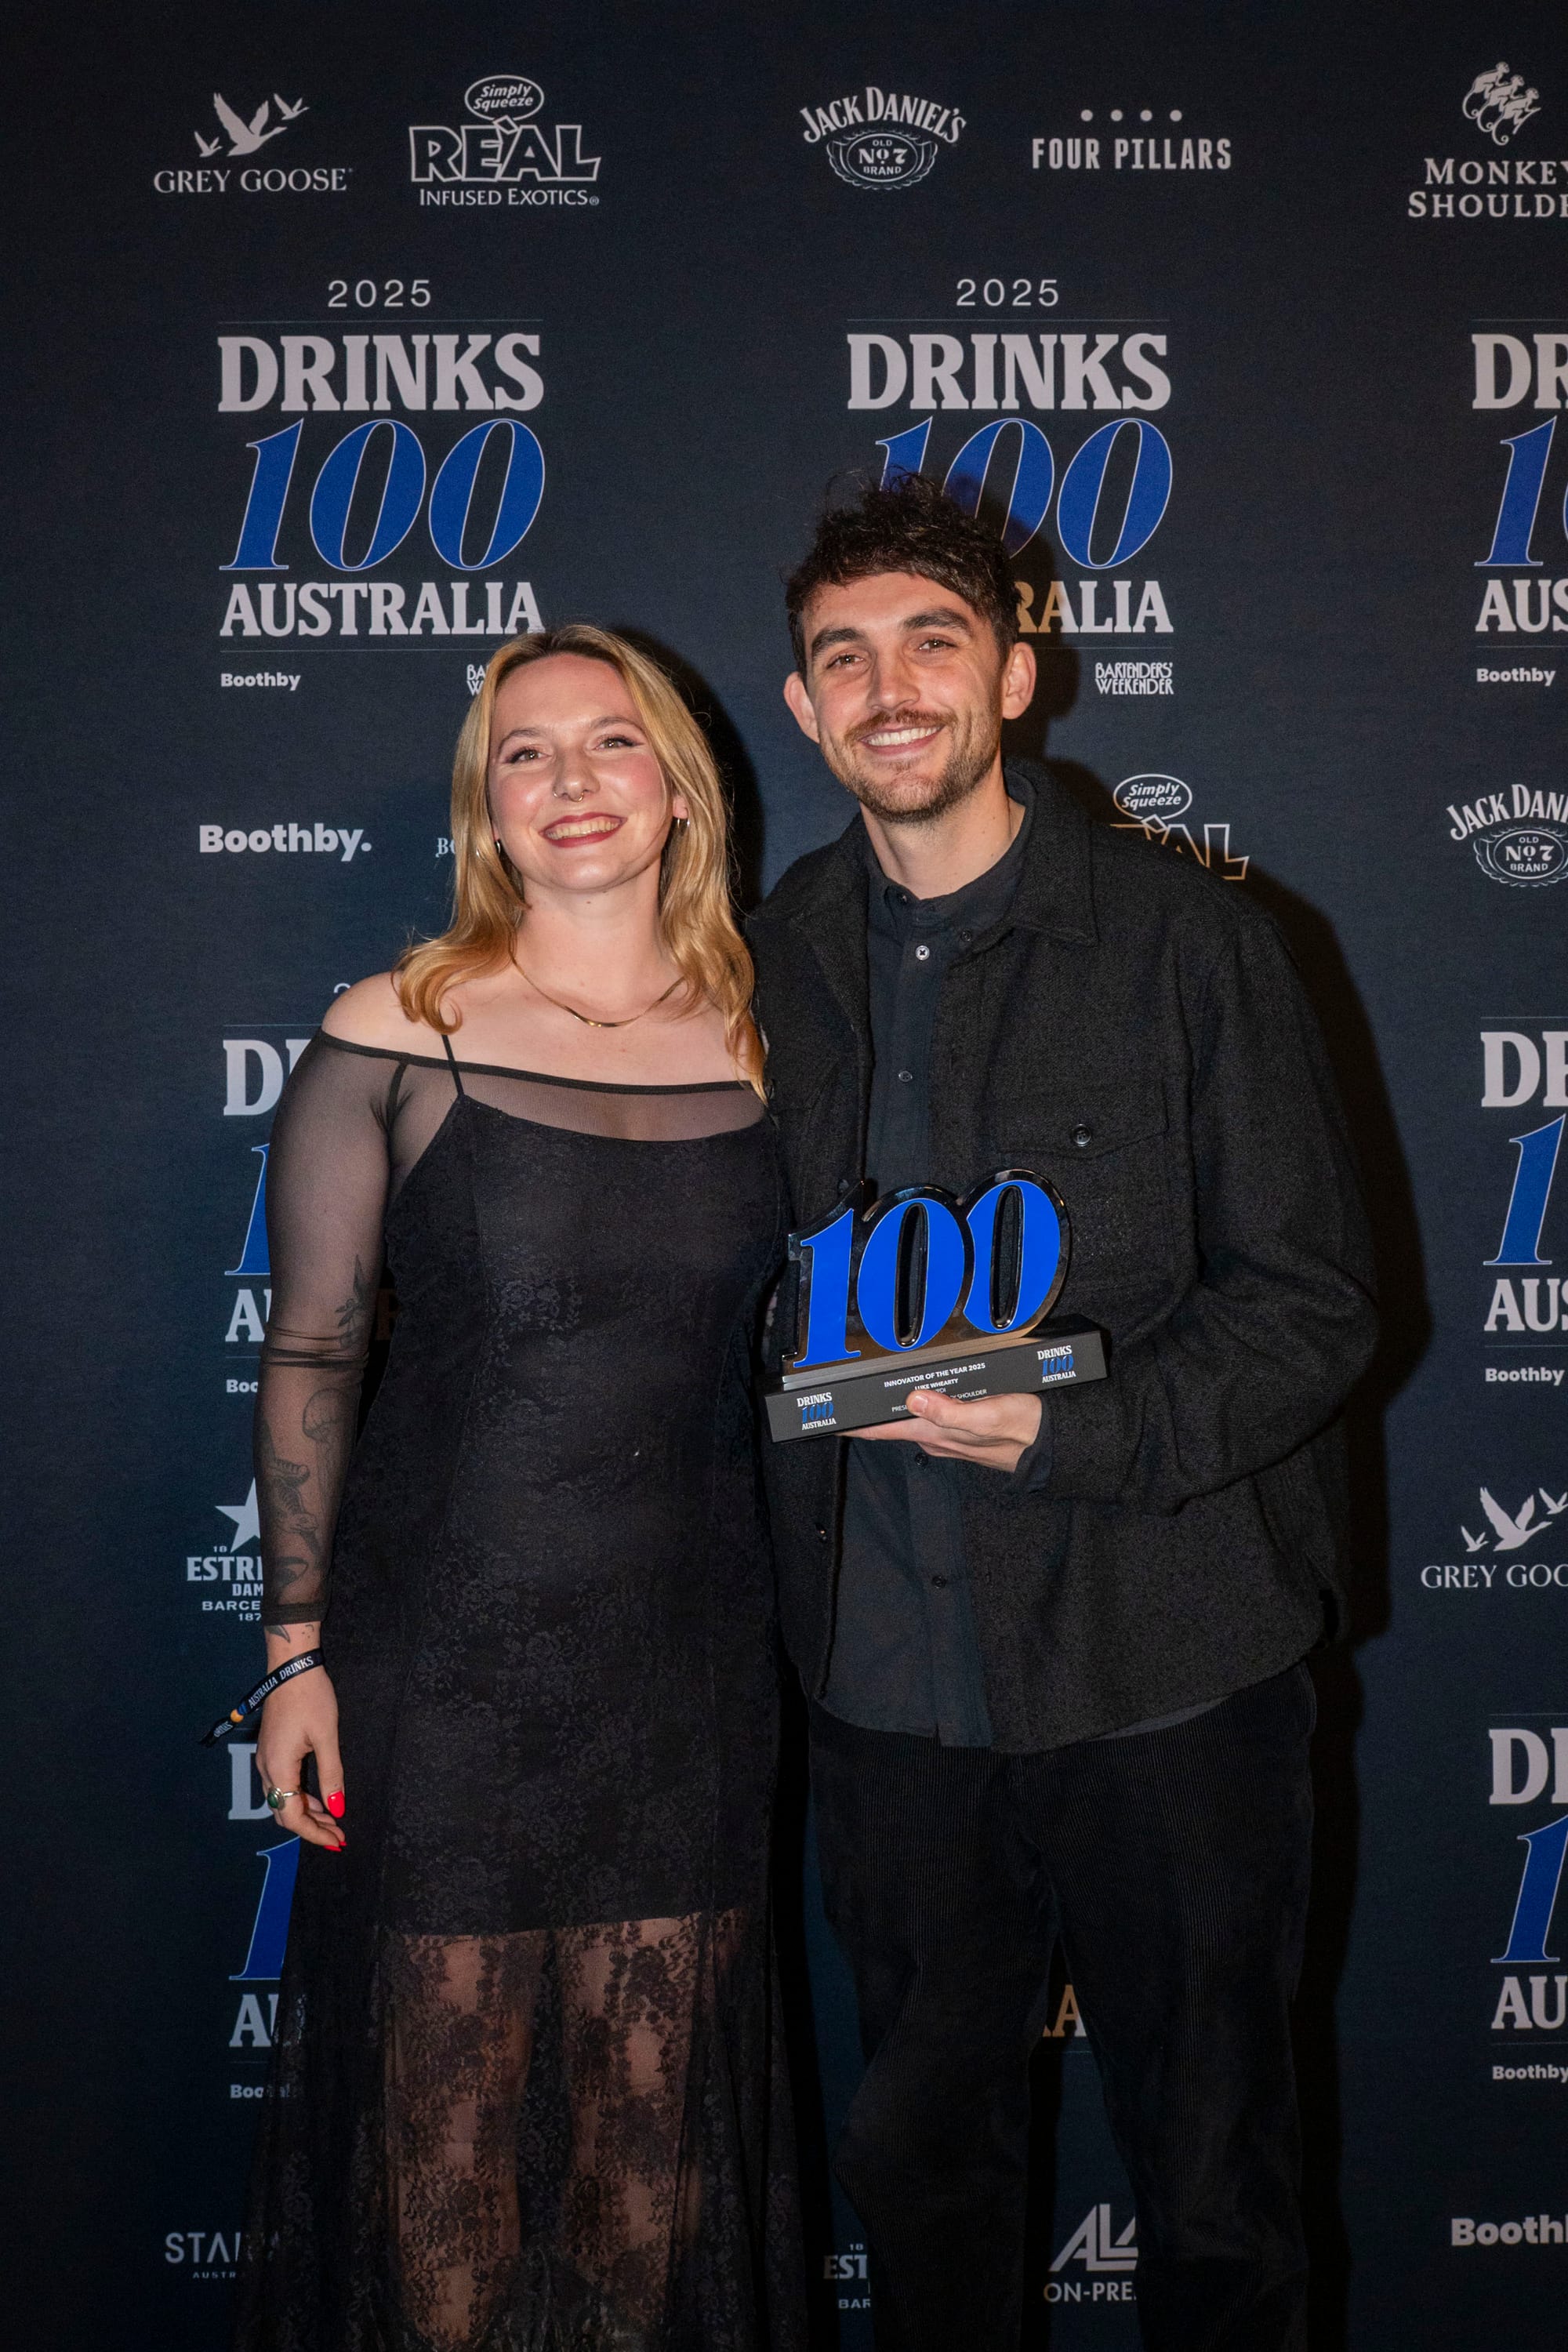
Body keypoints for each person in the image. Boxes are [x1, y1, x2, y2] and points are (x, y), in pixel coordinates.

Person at [748, 474, 1377, 2352]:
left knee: (1217, 2190)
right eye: (843, 657)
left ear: (1018, 675)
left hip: (1163, 1665)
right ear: (800, 706)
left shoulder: (1195, 944)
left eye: (932, 643)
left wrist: (1064, 1433)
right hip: (884, 1693)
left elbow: (1310, 1307)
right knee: (920, 2176)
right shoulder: (766, 960)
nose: (888, 690)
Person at [234, 627, 802, 2352]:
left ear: (679, 786)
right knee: (448, 2178)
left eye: (610, 742)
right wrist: (293, 1652)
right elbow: (314, 1352)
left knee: (649, 2181)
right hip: (446, 1672)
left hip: (687, 1672)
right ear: (486, 805)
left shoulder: (780, 1038)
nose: (569, 782)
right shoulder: (396, 1029)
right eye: (524, 753)